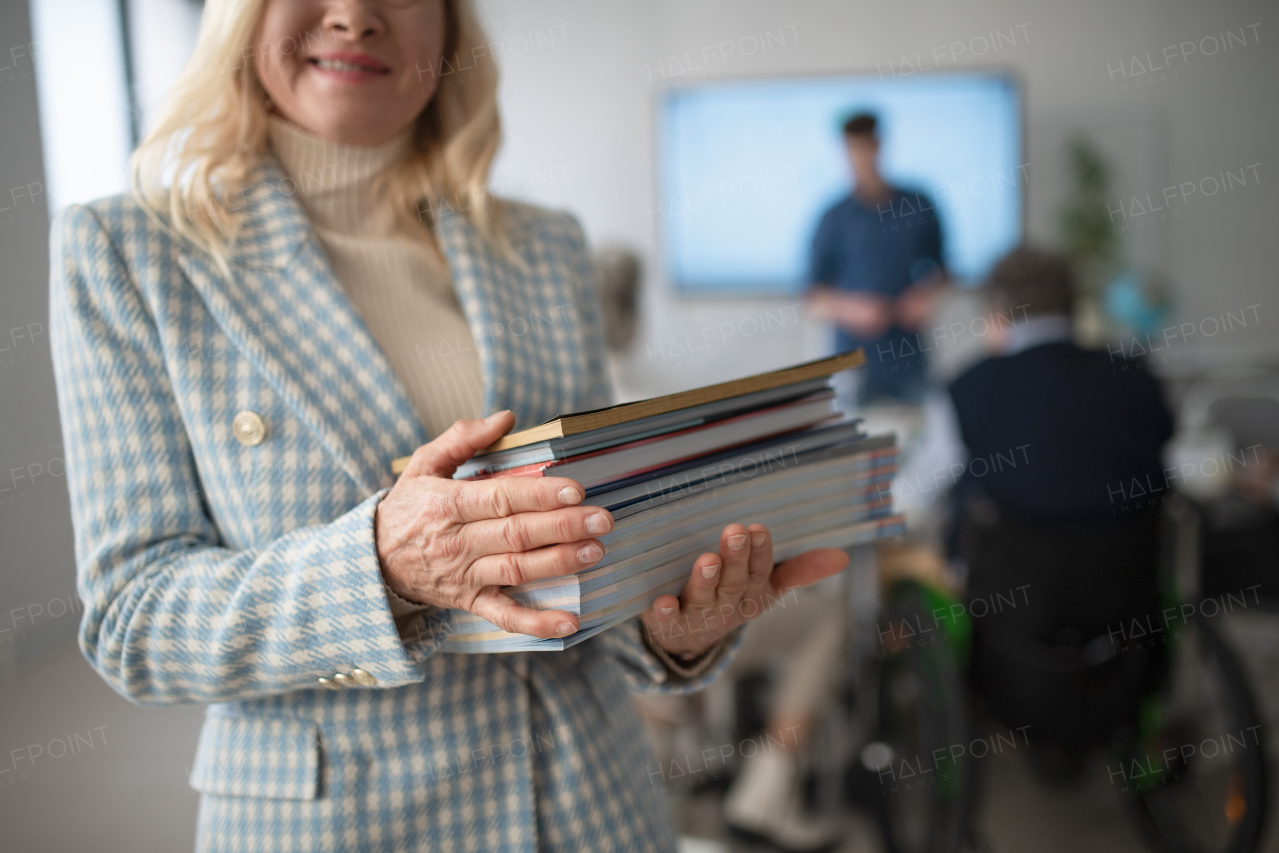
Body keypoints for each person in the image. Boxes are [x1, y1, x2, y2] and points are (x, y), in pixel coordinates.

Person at [46, 1, 849, 850]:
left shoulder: (544, 247)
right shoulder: (126, 252)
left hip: (592, 808)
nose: (354, 17)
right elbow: (134, 620)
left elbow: (594, 554)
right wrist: (380, 568)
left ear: (450, 29)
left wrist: (671, 626)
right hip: (341, 825)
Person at [902, 247, 1174, 771]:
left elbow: (915, 495)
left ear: (996, 315)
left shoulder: (971, 387)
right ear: (1074, 308)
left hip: (1012, 613)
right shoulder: (1137, 376)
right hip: (1126, 599)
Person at [805, 112, 945, 404]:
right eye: (853, 149)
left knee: (924, 435)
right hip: (852, 360)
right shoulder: (833, 218)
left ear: (879, 145)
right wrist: (851, 310)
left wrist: (924, 296)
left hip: (907, 355)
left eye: (865, 147)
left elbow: (943, 272)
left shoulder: (917, 205)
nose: (860, 158)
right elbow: (812, 298)